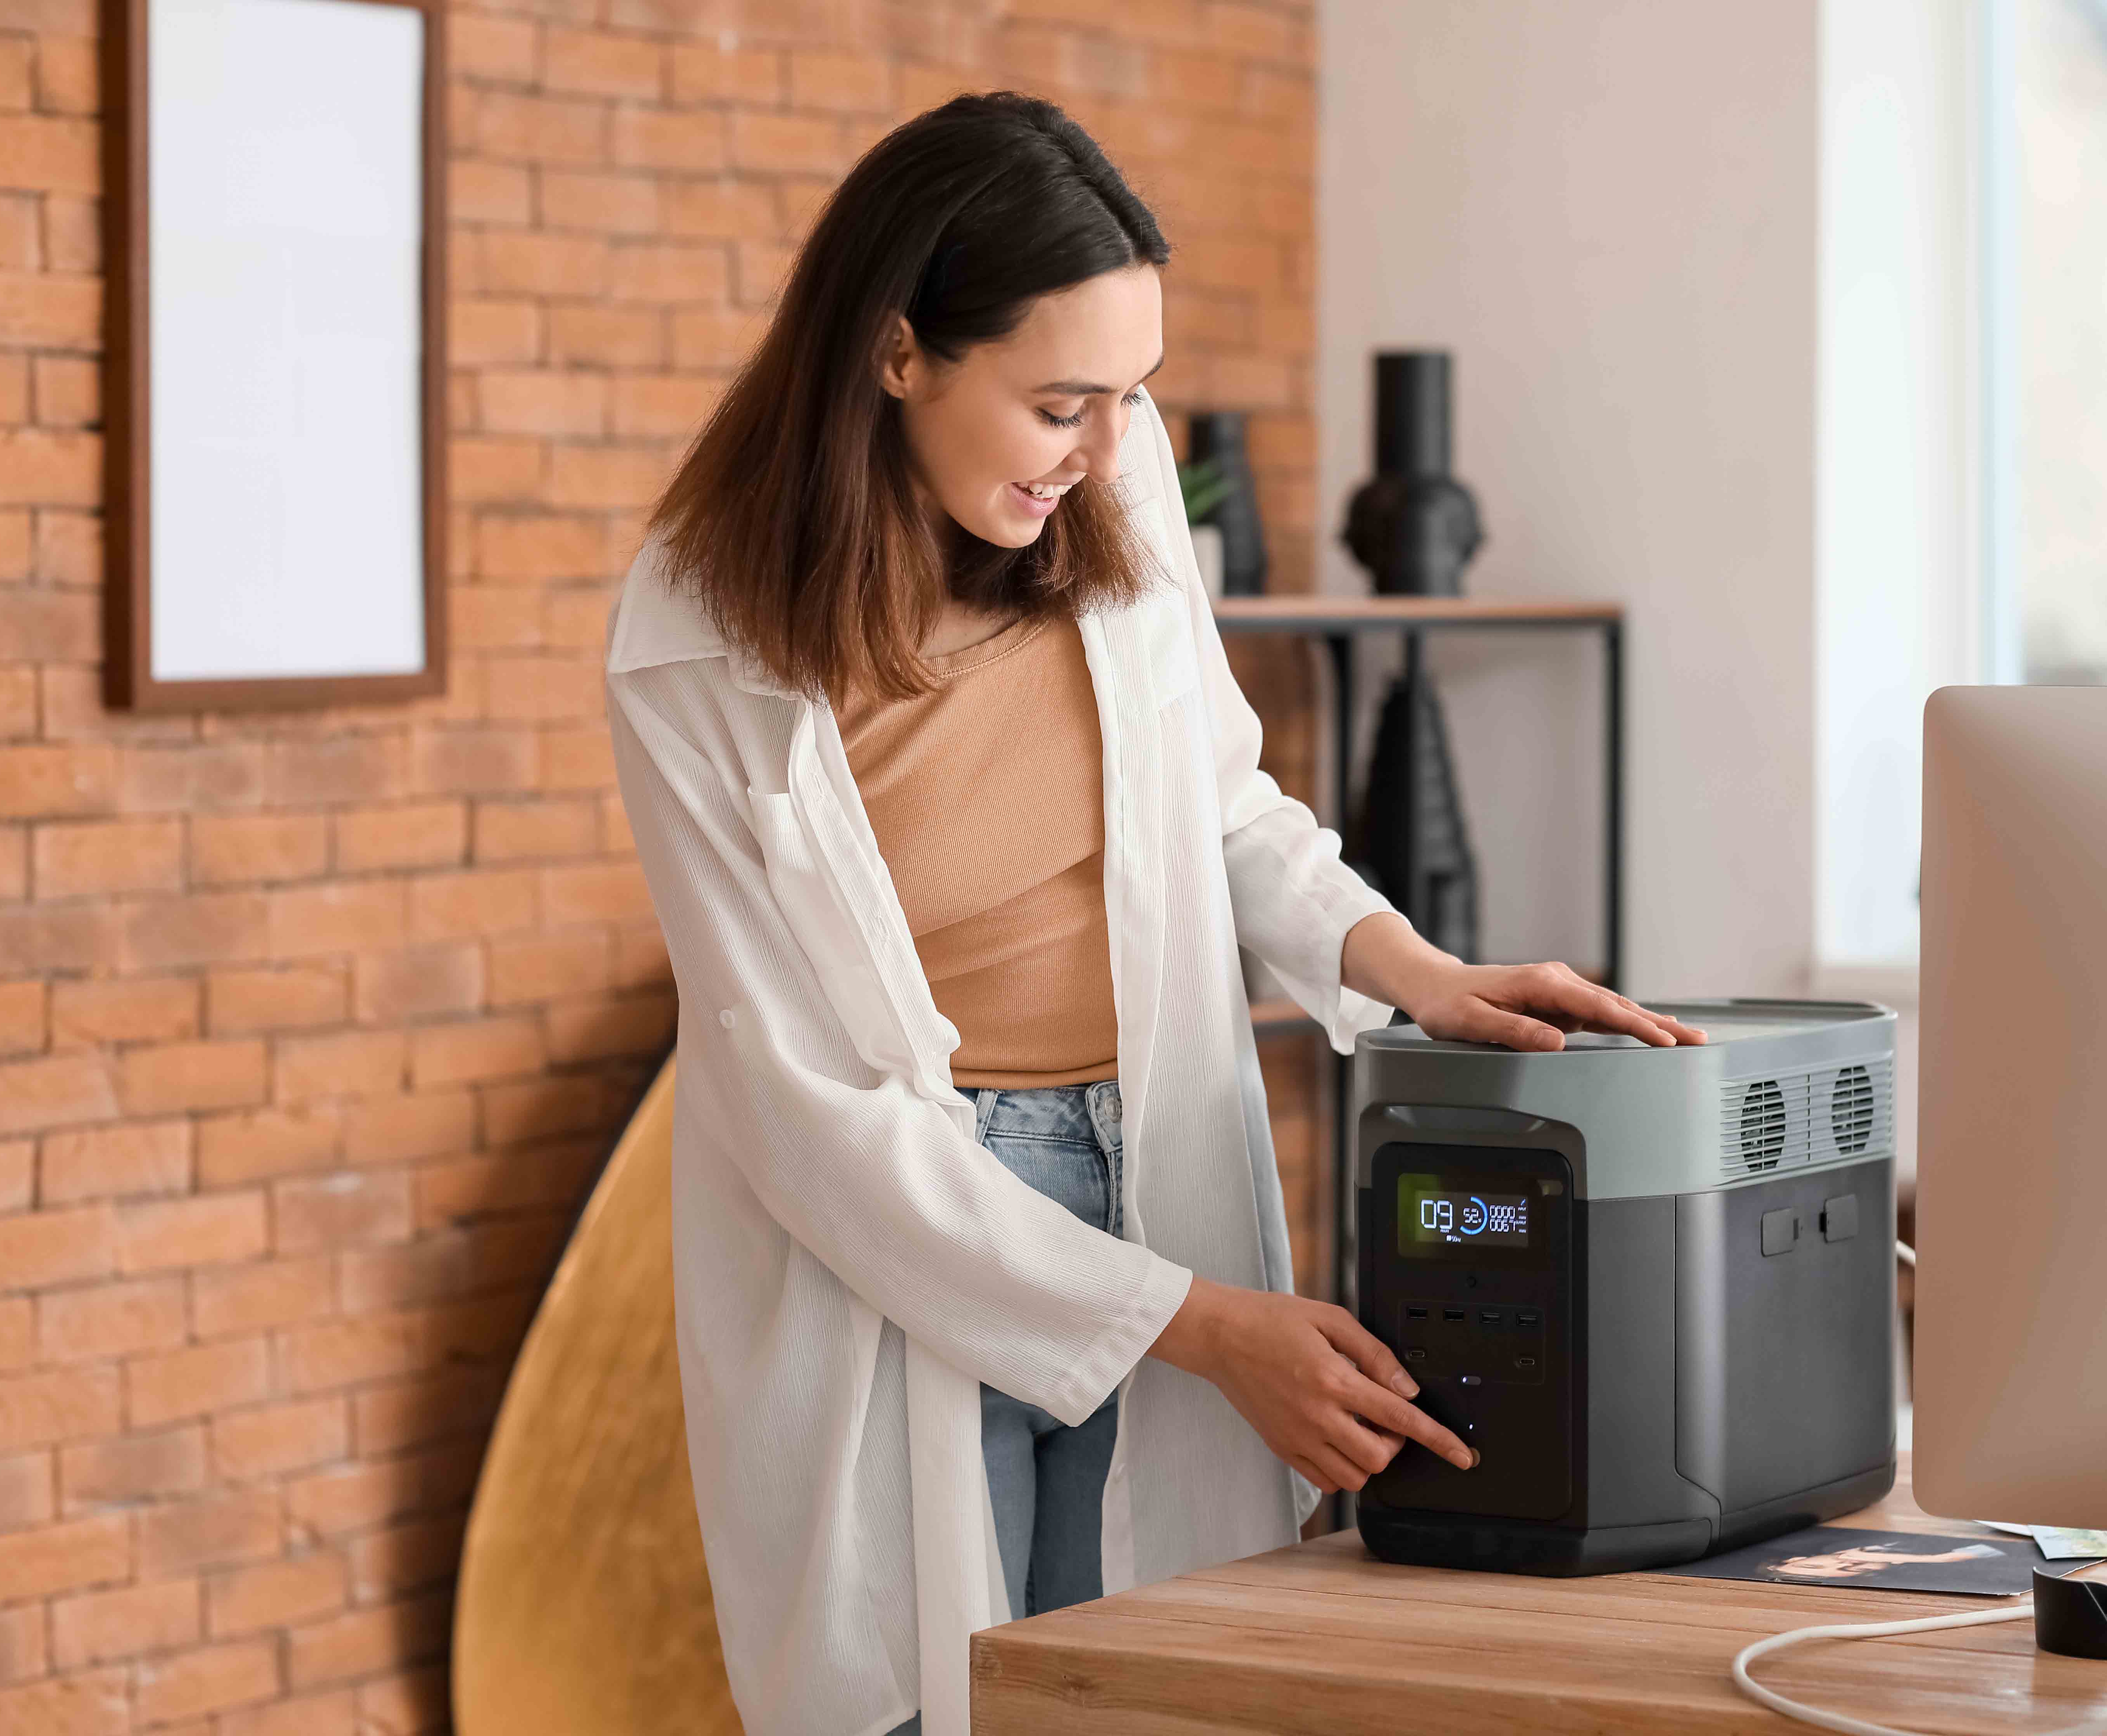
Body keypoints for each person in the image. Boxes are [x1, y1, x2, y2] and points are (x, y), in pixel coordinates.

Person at [602, 91, 1706, 1736]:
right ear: (898, 352)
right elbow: (801, 1111)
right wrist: (1193, 1327)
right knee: (931, 1692)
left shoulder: (1117, 499)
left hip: (1152, 1152)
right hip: (909, 1226)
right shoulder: (697, 640)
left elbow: (1225, 806)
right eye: (1061, 401)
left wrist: (1413, 969)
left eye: (1131, 397)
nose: (1109, 449)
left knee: (1158, 1689)